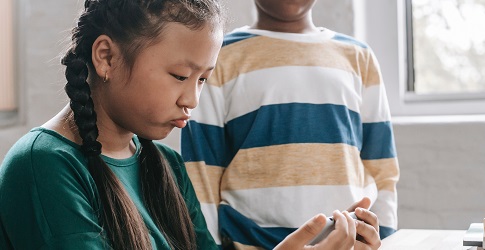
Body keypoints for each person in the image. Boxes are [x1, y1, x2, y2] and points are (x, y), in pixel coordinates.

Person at [0, 0, 381, 249]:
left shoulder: (165, 164)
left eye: (203, 79)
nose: (192, 100)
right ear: (106, 57)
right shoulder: (44, 165)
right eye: (180, 75)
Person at [181, 0, 400, 249]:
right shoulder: (219, 55)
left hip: (347, 244)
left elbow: (382, 170)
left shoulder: (359, 56)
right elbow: (201, 170)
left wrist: (387, 240)